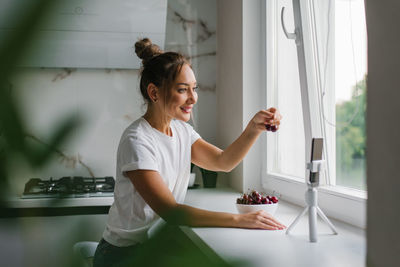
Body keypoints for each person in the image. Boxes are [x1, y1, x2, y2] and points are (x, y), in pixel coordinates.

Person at [93, 38, 284, 267]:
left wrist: (254, 127)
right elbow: (172, 212)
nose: (193, 98)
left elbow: (223, 162)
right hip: (122, 255)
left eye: (194, 89)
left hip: (153, 250)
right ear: (154, 93)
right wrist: (240, 220)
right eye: (183, 90)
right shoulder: (137, 140)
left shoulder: (182, 131)